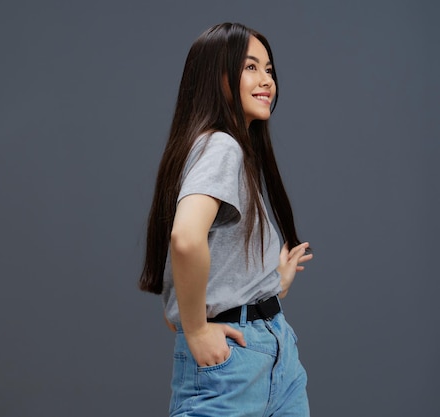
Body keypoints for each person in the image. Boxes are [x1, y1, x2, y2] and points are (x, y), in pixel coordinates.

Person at [139, 22, 314, 416]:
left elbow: (213, 262)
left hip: (272, 352)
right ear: (218, 78)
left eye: (269, 69)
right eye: (250, 67)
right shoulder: (220, 146)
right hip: (235, 363)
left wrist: (272, 284)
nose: (266, 79)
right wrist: (198, 330)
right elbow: (185, 238)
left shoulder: (224, 149)